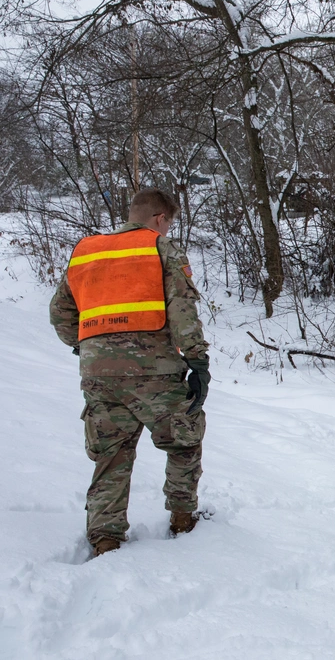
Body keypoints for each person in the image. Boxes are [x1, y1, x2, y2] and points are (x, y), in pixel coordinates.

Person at [49, 187, 211, 557]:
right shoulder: (160, 248)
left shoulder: (85, 251)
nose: (168, 230)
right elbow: (182, 309)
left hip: (99, 374)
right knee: (183, 441)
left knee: (112, 454)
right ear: (159, 218)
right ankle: (183, 518)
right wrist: (198, 361)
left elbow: (60, 313)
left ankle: (105, 538)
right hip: (155, 372)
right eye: (169, 223)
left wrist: (87, 346)